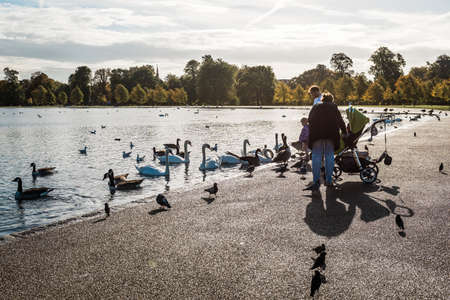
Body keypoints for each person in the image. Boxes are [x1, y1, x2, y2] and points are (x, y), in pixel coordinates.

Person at [304, 92, 347, 191]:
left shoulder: (315, 106)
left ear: (322, 99)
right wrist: (344, 132)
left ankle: (315, 181)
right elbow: (340, 120)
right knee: (329, 156)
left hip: (317, 135)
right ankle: (328, 180)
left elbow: (310, 119)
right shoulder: (333, 107)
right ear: (332, 100)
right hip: (330, 135)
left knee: (316, 157)